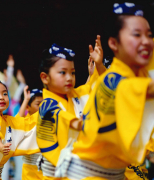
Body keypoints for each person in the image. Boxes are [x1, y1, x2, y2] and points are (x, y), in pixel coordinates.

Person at [55, 3, 154, 179]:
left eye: (149, 35)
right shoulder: (117, 81)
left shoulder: (122, 77)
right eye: (137, 35)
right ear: (114, 43)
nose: (146, 41)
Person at [36, 40, 105, 179]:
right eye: (62, 73)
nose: (69, 78)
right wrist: (77, 123)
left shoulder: (80, 94)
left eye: (72, 73)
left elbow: (104, 88)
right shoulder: (47, 105)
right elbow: (59, 115)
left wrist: (99, 64)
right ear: (45, 78)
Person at [18, 87, 44, 180]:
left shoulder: (48, 119)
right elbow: (17, 122)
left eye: (43, 103)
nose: (42, 107)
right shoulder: (26, 121)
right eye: (38, 104)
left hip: (46, 168)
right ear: (28, 107)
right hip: (30, 169)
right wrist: (26, 100)